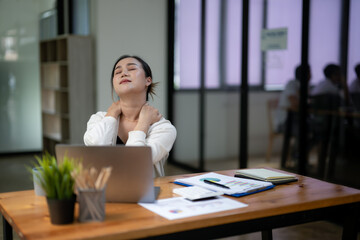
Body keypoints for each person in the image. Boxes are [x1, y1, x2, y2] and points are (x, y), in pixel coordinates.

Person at [83, 55, 177, 177]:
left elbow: (135, 162)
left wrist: (143, 122)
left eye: (132, 69)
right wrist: (111, 114)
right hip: (103, 193)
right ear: (114, 83)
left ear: (148, 80)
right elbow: (95, 150)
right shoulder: (99, 119)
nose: (124, 74)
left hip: (144, 194)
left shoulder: (163, 128)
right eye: (118, 72)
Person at [274, 64, 311, 133]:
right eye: (309, 73)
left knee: (316, 127)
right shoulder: (292, 84)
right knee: (305, 130)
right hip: (285, 122)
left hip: (297, 119)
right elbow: (295, 103)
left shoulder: (305, 86)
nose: (311, 75)